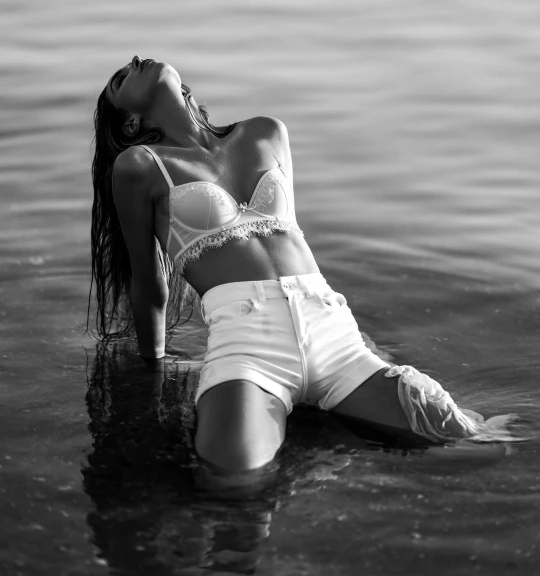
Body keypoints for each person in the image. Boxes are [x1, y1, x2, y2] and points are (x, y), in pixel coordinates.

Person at [89, 56, 516, 471]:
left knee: (482, 449)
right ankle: (308, 463)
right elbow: (149, 281)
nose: (134, 60)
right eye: (121, 78)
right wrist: (153, 370)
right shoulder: (139, 165)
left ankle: (311, 454)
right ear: (131, 123)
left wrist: (368, 346)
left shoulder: (266, 132)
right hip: (247, 343)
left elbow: (290, 235)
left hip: (334, 334)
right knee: (234, 482)